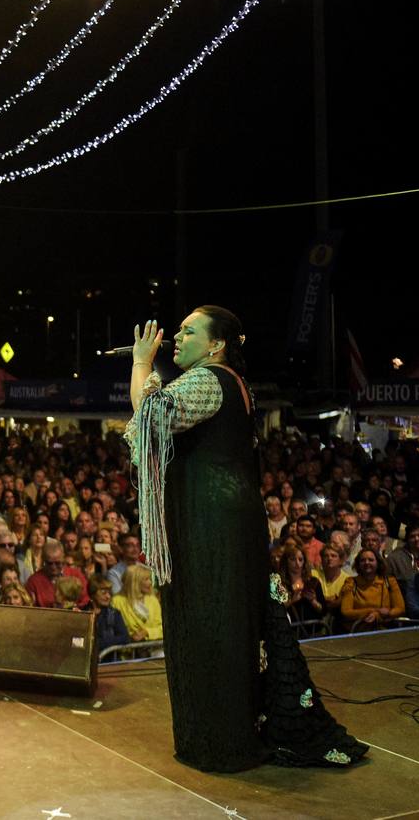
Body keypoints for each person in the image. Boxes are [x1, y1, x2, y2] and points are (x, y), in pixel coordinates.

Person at [127, 307, 364, 770]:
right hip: (222, 518)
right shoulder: (226, 380)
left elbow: (151, 414)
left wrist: (140, 363)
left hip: (211, 524)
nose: (177, 336)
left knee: (212, 622)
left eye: (188, 331)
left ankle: (220, 742)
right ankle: (225, 734)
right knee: (222, 623)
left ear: (215, 345)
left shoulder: (209, 379)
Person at [339, 549, 405, 631]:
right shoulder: (351, 583)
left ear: (378, 563)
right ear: (358, 564)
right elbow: (346, 612)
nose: (367, 562)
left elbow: (400, 608)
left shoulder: (390, 582)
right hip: (358, 632)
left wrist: (380, 615)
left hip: (385, 631)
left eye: (371, 560)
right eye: (363, 560)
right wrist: (374, 611)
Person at [111, 565, 163, 643]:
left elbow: (162, 627)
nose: (150, 582)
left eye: (150, 579)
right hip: (129, 651)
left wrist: (147, 632)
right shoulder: (117, 601)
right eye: (146, 579)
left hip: (154, 649)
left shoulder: (152, 600)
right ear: (134, 582)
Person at [89, 577, 131, 659]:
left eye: (109, 593)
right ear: (93, 594)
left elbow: (124, 637)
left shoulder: (114, 614)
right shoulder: (84, 612)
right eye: (103, 593)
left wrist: (98, 644)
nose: (108, 596)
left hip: (108, 661)